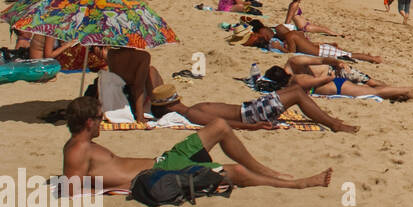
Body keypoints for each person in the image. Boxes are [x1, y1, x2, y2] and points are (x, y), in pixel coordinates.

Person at [61, 96, 331, 192]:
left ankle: (266, 170)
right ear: (87, 123)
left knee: (220, 126)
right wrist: (124, 185)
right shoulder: (77, 149)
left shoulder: (82, 146)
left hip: (164, 160)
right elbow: (74, 190)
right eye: (98, 119)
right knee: (235, 172)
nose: (101, 122)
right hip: (160, 174)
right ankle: (298, 183)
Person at [149, 81, 359, 133]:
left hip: (250, 108)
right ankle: (334, 124)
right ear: (172, 104)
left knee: (295, 89)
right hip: (250, 115)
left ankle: (331, 121)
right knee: (296, 93)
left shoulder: (192, 109)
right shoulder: (192, 112)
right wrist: (254, 127)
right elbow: (223, 123)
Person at [243, 21, 383, 63]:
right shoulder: (293, 35)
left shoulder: (291, 36)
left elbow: (292, 52)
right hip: (320, 49)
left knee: (350, 55)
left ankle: (373, 58)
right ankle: (370, 57)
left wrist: (280, 47)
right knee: (348, 54)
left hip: (322, 51)